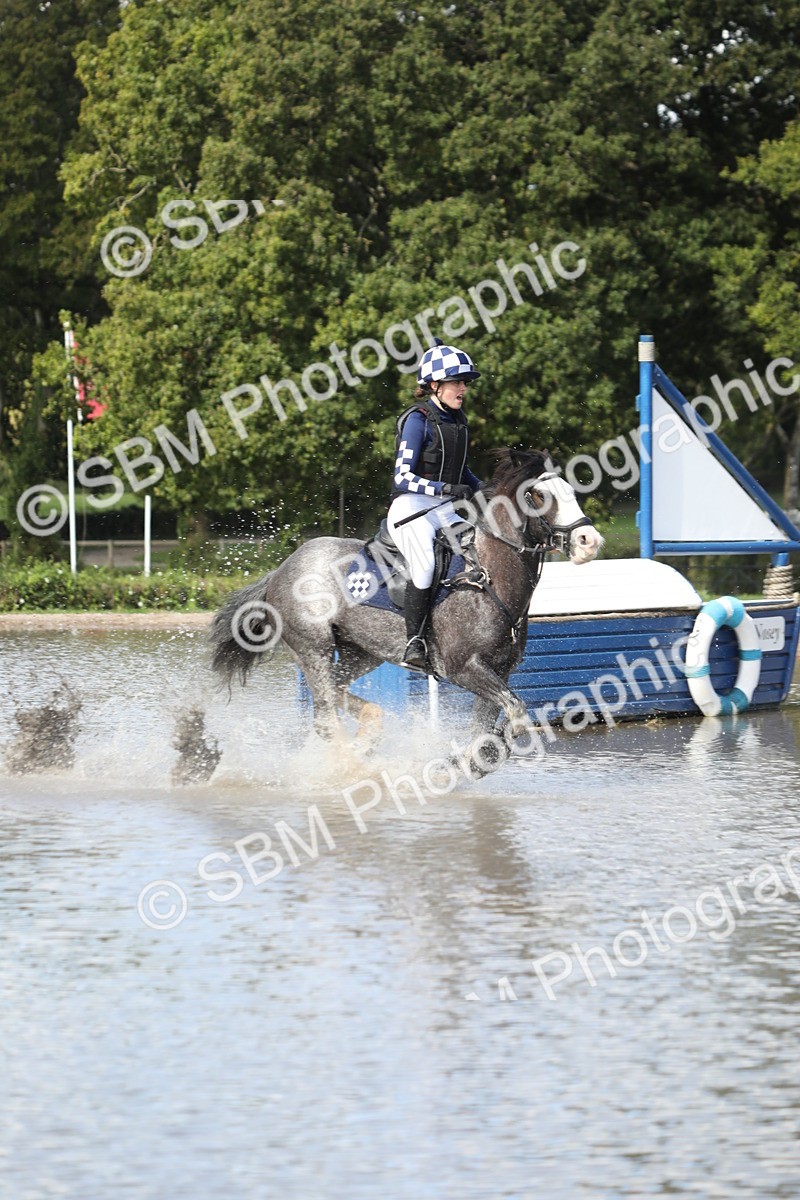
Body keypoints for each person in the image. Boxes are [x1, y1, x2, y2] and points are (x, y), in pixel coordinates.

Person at [388, 340, 483, 672]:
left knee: (479, 551)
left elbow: (462, 471)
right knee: (426, 564)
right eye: (457, 382)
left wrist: (485, 490)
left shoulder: (458, 420)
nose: (463, 388)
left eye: (464, 382)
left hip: (442, 509)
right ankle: (414, 642)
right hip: (411, 508)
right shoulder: (417, 420)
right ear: (434, 385)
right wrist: (443, 487)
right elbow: (402, 477)